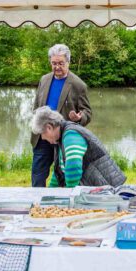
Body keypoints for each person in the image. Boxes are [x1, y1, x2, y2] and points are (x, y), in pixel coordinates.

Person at [31, 44, 92, 187]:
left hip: (63, 138)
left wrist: (79, 117)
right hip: (43, 137)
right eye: (54, 63)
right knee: (37, 175)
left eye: (60, 63)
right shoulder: (44, 80)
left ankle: (60, 205)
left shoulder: (78, 84)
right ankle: (37, 205)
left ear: (68, 62)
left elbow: (87, 112)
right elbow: (35, 107)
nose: (57, 67)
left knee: (61, 177)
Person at [31, 106, 125, 188]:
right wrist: (50, 193)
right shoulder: (61, 138)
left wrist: (69, 195)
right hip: (95, 188)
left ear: (49, 127)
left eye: (42, 133)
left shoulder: (70, 135)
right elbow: (59, 171)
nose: (42, 138)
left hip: (106, 190)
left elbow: (73, 169)